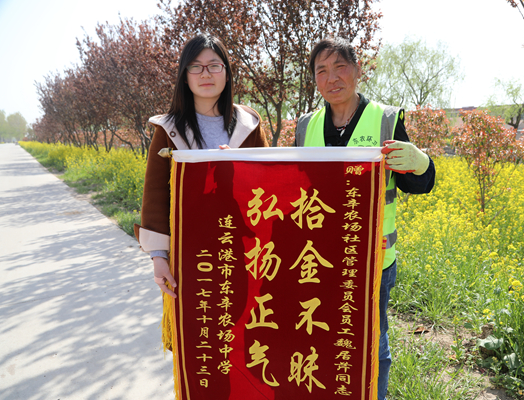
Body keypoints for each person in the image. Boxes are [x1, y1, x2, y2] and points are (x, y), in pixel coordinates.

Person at [295, 37, 435, 400]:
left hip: (373, 261)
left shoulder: (385, 120)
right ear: (314, 80)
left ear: (357, 71)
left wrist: (421, 162)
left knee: (372, 342)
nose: (332, 78)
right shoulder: (306, 126)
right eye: (322, 71)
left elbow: (418, 184)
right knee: (321, 336)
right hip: (317, 259)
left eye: (340, 67)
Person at [135, 34, 268, 298]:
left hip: (242, 246)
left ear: (227, 74)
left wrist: (240, 169)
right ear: (185, 77)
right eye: (195, 66)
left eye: (214, 65)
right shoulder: (168, 129)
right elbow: (156, 194)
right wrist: (159, 256)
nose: (205, 73)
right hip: (188, 250)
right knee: (198, 317)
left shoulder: (249, 124)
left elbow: (268, 184)